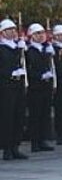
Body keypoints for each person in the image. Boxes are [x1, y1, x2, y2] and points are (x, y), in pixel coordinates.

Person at [0, 19, 29, 160]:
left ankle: (15, 146)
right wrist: (9, 73)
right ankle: (6, 148)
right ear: (2, 32)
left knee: (19, 116)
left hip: (18, 85)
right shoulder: (2, 48)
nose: (12, 32)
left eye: (13, 29)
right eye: (9, 30)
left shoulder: (18, 48)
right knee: (7, 117)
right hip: (6, 86)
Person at [24, 23, 55, 153]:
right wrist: (40, 75)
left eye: (42, 33)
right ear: (31, 36)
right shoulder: (28, 50)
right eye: (38, 33)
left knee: (45, 114)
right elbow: (28, 69)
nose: (41, 35)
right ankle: (35, 141)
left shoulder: (46, 49)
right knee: (35, 115)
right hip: (35, 87)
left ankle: (43, 139)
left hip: (46, 86)